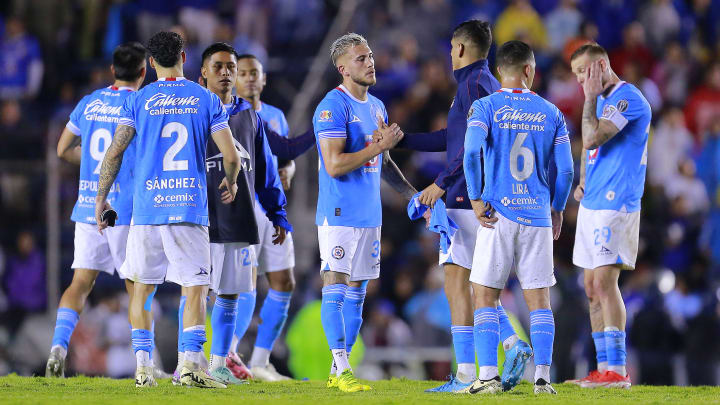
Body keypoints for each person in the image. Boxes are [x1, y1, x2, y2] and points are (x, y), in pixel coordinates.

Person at [382, 20, 529, 393]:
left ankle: (472, 370)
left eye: (451, 47)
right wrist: (403, 140)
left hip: (466, 196)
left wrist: (440, 184)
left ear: (461, 49)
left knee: (459, 285)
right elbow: (453, 138)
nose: (449, 54)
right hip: (471, 195)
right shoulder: (477, 84)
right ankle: (506, 347)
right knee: (469, 284)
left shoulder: (474, 84)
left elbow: (473, 146)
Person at [94, 31, 241, 388]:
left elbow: (114, 153)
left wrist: (101, 198)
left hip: (146, 211)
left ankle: (143, 369)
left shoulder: (138, 101)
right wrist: (232, 181)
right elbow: (231, 156)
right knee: (195, 288)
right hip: (188, 208)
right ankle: (190, 367)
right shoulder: (205, 99)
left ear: (150, 63)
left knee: (141, 290)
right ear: (184, 57)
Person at [169, 42, 292, 386]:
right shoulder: (191, 111)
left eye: (231, 67)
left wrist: (277, 213)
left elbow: (266, 168)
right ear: (203, 73)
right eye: (218, 66)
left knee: (230, 294)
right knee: (195, 291)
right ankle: (185, 362)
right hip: (199, 218)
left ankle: (219, 364)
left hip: (239, 217)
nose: (226, 73)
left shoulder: (249, 115)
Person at [463, 40, 574, 395]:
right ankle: (542, 378)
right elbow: (568, 171)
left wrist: (477, 198)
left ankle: (489, 377)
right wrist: (556, 207)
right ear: (530, 70)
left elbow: (470, 152)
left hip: (497, 213)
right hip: (537, 215)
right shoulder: (552, 112)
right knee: (539, 299)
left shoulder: (485, 106)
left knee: (484, 294)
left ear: (499, 72)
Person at [313, 33, 417, 392]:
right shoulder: (331, 106)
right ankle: (342, 368)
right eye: (360, 58)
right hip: (339, 211)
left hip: (370, 214)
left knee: (359, 292)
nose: (370, 62)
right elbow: (334, 164)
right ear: (342, 68)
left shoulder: (377, 107)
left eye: (370, 56)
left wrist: (411, 194)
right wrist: (378, 146)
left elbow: (384, 162)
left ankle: (337, 368)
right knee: (336, 285)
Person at [46, 42, 148, 379]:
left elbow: (63, 149)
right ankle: (145, 364)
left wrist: (89, 163)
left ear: (112, 71)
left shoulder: (89, 103)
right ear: (143, 72)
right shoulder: (140, 103)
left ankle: (58, 349)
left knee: (80, 284)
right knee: (136, 286)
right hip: (123, 208)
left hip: (88, 207)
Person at [568, 43, 651, 390]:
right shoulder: (600, 100)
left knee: (604, 283)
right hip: (594, 203)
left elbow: (591, 137)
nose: (580, 81)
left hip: (618, 204)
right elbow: (594, 151)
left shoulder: (627, 99)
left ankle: (617, 371)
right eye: (575, 76)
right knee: (590, 287)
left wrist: (588, 98)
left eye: (584, 72)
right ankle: (603, 369)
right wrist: (584, 181)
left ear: (601, 65)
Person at [228, 53, 315, 381]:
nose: (249, 78)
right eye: (243, 73)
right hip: (244, 209)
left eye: (255, 73)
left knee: (284, 281)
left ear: (263, 80)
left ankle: (262, 360)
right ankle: (229, 357)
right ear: (235, 80)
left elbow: (281, 154)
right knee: (245, 283)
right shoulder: (231, 113)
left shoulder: (276, 115)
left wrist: (288, 167)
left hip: (272, 210)